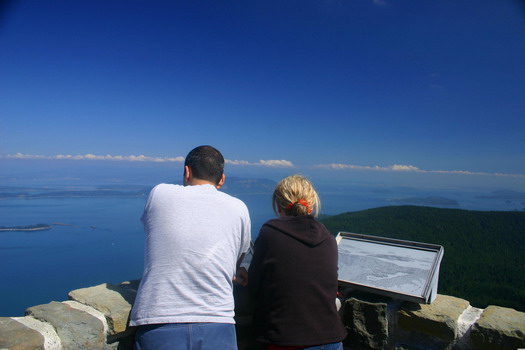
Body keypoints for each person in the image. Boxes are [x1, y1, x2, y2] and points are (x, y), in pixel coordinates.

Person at [130, 145, 251, 350]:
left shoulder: (159, 193)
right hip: (218, 322)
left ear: (186, 172)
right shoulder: (239, 207)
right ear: (222, 179)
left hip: (159, 321)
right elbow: (238, 258)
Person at [247, 175, 347, 350]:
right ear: (312, 203)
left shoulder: (270, 233)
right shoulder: (328, 238)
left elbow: (253, 286)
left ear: (278, 206)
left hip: (287, 339)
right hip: (332, 338)